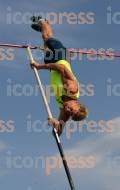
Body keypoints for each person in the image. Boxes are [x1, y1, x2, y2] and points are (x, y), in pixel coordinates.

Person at [31, 17, 88, 136]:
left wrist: (55, 125)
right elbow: (61, 68)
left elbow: (59, 130)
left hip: (52, 66)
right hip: (61, 58)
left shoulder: (65, 111)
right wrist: (39, 66)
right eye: (72, 109)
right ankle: (43, 21)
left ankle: (43, 28)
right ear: (77, 104)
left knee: (46, 46)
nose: (68, 110)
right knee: (47, 38)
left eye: (70, 113)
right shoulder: (71, 89)